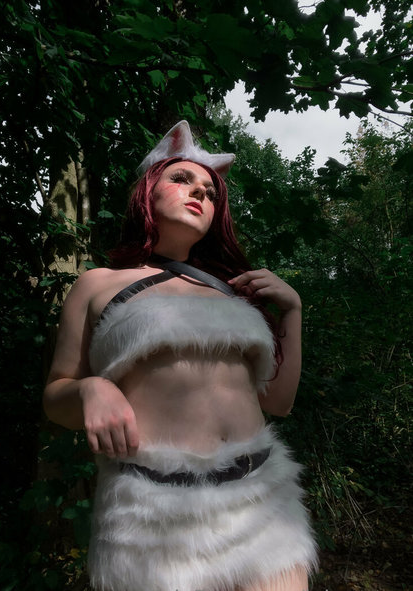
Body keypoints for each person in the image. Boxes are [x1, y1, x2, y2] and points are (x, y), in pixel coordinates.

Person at [43, 121, 317, 591]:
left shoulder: (233, 291)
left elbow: (278, 402)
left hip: (262, 504)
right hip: (150, 516)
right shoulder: (96, 285)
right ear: (147, 191)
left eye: (209, 192)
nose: (199, 194)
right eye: (182, 179)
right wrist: (91, 388)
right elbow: (55, 397)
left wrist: (292, 311)